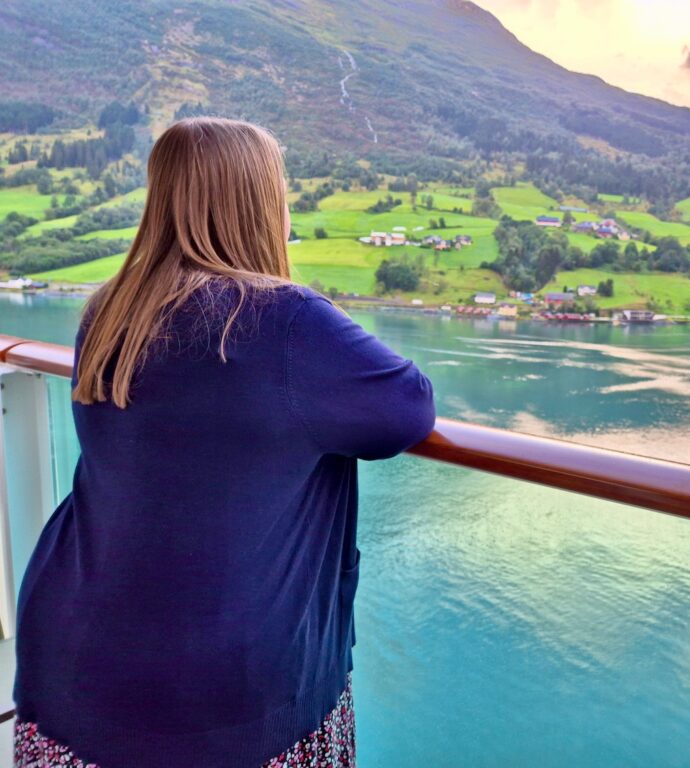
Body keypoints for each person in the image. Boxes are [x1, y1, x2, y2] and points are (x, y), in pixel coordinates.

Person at [13, 118, 436, 767]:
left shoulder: (109, 308)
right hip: (224, 692)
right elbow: (406, 409)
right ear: (261, 201)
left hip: (76, 644)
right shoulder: (285, 319)